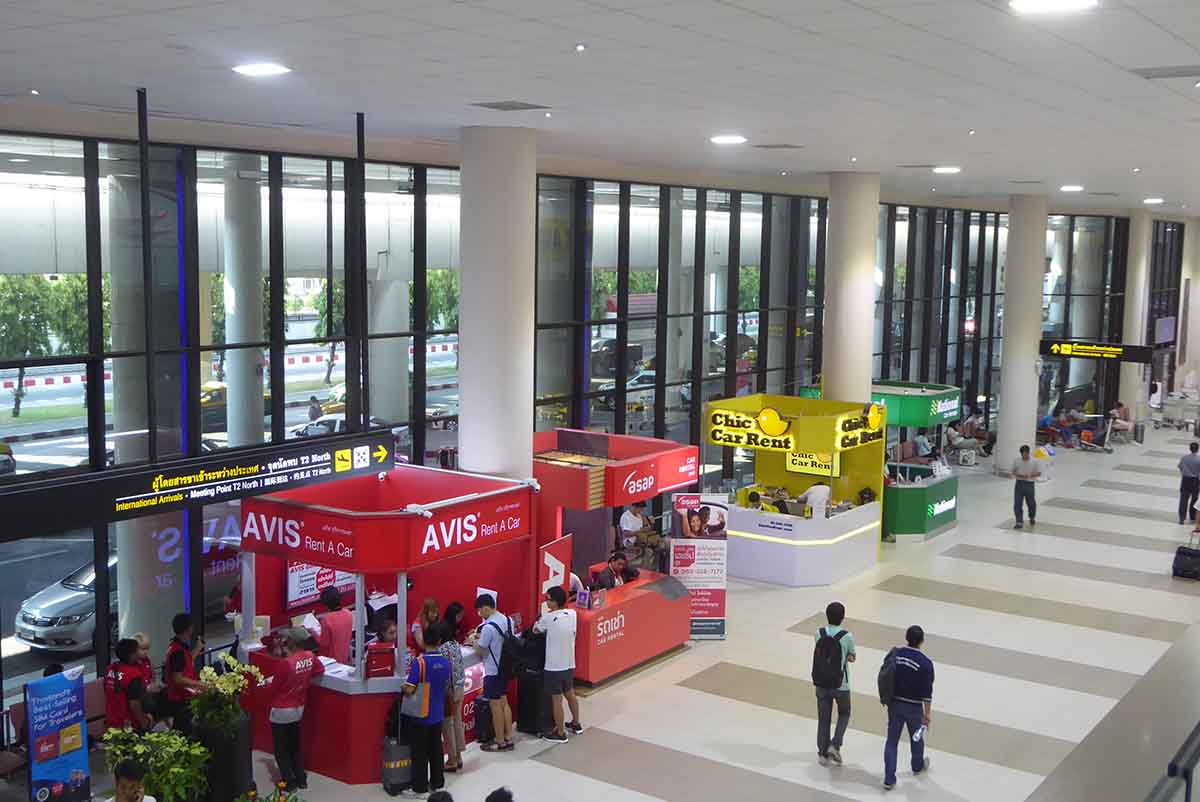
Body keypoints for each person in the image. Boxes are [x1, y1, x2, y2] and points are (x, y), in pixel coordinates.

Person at [270, 628, 325, 791]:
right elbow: (319, 670)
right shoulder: (310, 656)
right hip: (298, 708)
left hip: (281, 710)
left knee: (281, 749)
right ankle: (301, 779)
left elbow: (273, 687)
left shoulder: (285, 663)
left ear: (291, 642)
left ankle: (289, 782)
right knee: (295, 745)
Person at [401, 625, 451, 798]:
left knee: (419, 752)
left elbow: (409, 688)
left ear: (424, 641)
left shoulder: (420, 663)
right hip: (438, 714)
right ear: (439, 641)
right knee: (436, 750)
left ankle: (419, 788)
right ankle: (438, 784)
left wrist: (403, 687)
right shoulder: (445, 662)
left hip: (420, 715)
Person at [883, 625, 934, 791]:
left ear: (907, 638)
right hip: (914, 709)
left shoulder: (895, 654)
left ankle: (889, 779)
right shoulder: (926, 663)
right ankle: (917, 765)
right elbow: (927, 693)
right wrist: (927, 714)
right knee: (917, 738)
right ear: (922, 641)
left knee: (892, 742)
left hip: (895, 705)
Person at [534, 586, 581, 744]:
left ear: (554, 602)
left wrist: (541, 619)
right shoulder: (573, 614)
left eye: (548, 599)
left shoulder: (548, 618)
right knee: (570, 693)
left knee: (556, 700)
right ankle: (576, 724)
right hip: (569, 664)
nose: (546, 601)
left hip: (554, 667)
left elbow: (536, 630)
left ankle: (560, 733)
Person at [469, 593, 515, 752]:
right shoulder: (508, 620)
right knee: (504, 703)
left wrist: (472, 641)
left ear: (486, 608)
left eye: (480, 611)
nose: (479, 614)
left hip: (492, 671)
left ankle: (500, 742)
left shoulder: (488, 627)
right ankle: (509, 736)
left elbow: (481, 650)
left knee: (495, 706)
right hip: (505, 668)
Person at [813, 602, 855, 767]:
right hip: (841, 684)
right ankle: (835, 745)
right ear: (843, 617)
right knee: (844, 713)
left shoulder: (819, 633)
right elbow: (852, 657)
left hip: (821, 682)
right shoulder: (847, 636)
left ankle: (822, 754)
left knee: (824, 719)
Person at [164, 613, 205, 731]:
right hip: (181, 699)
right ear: (189, 629)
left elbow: (185, 663)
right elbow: (177, 678)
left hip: (179, 697)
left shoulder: (176, 646)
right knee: (184, 731)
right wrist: (199, 684)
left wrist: (197, 648)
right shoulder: (178, 652)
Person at [437, 621, 467, 773]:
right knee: (457, 722)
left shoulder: (441, 649)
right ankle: (459, 756)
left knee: (447, 725)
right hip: (460, 687)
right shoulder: (455, 645)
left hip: (448, 691)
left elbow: (443, 673)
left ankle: (452, 759)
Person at [105, 638, 150, 732]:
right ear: (132, 655)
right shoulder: (133, 675)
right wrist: (143, 723)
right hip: (128, 725)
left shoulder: (110, 669)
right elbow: (134, 704)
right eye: (138, 649)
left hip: (112, 722)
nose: (139, 652)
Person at [308, 586, 353, 665]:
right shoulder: (348, 613)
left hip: (329, 662)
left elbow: (323, 643)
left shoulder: (326, 619)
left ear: (326, 604)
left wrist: (312, 632)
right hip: (344, 659)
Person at [1011, 444, 1041, 529]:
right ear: (1021, 454)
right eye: (1023, 454)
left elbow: (1039, 473)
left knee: (1031, 503)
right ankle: (1019, 521)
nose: (1025, 456)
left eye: (1026, 454)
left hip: (1029, 484)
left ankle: (1032, 517)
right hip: (1019, 483)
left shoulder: (1034, 461)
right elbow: (1013, 471)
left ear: (1028, 453)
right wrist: (1019, 475)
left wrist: (1030, 475)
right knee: (1017, 503)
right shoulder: (1017, 461)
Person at [1179, 442, 1200, 525]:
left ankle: (1182, 518)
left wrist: (1185, 472)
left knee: (1183, 499)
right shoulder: (1198, 459)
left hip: (1185, 480)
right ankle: (1192, 516)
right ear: (1197, 449)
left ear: (1190, 448)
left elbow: (1180, 466)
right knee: (1194, 499)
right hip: (1195, 481)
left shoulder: (1184, 458)